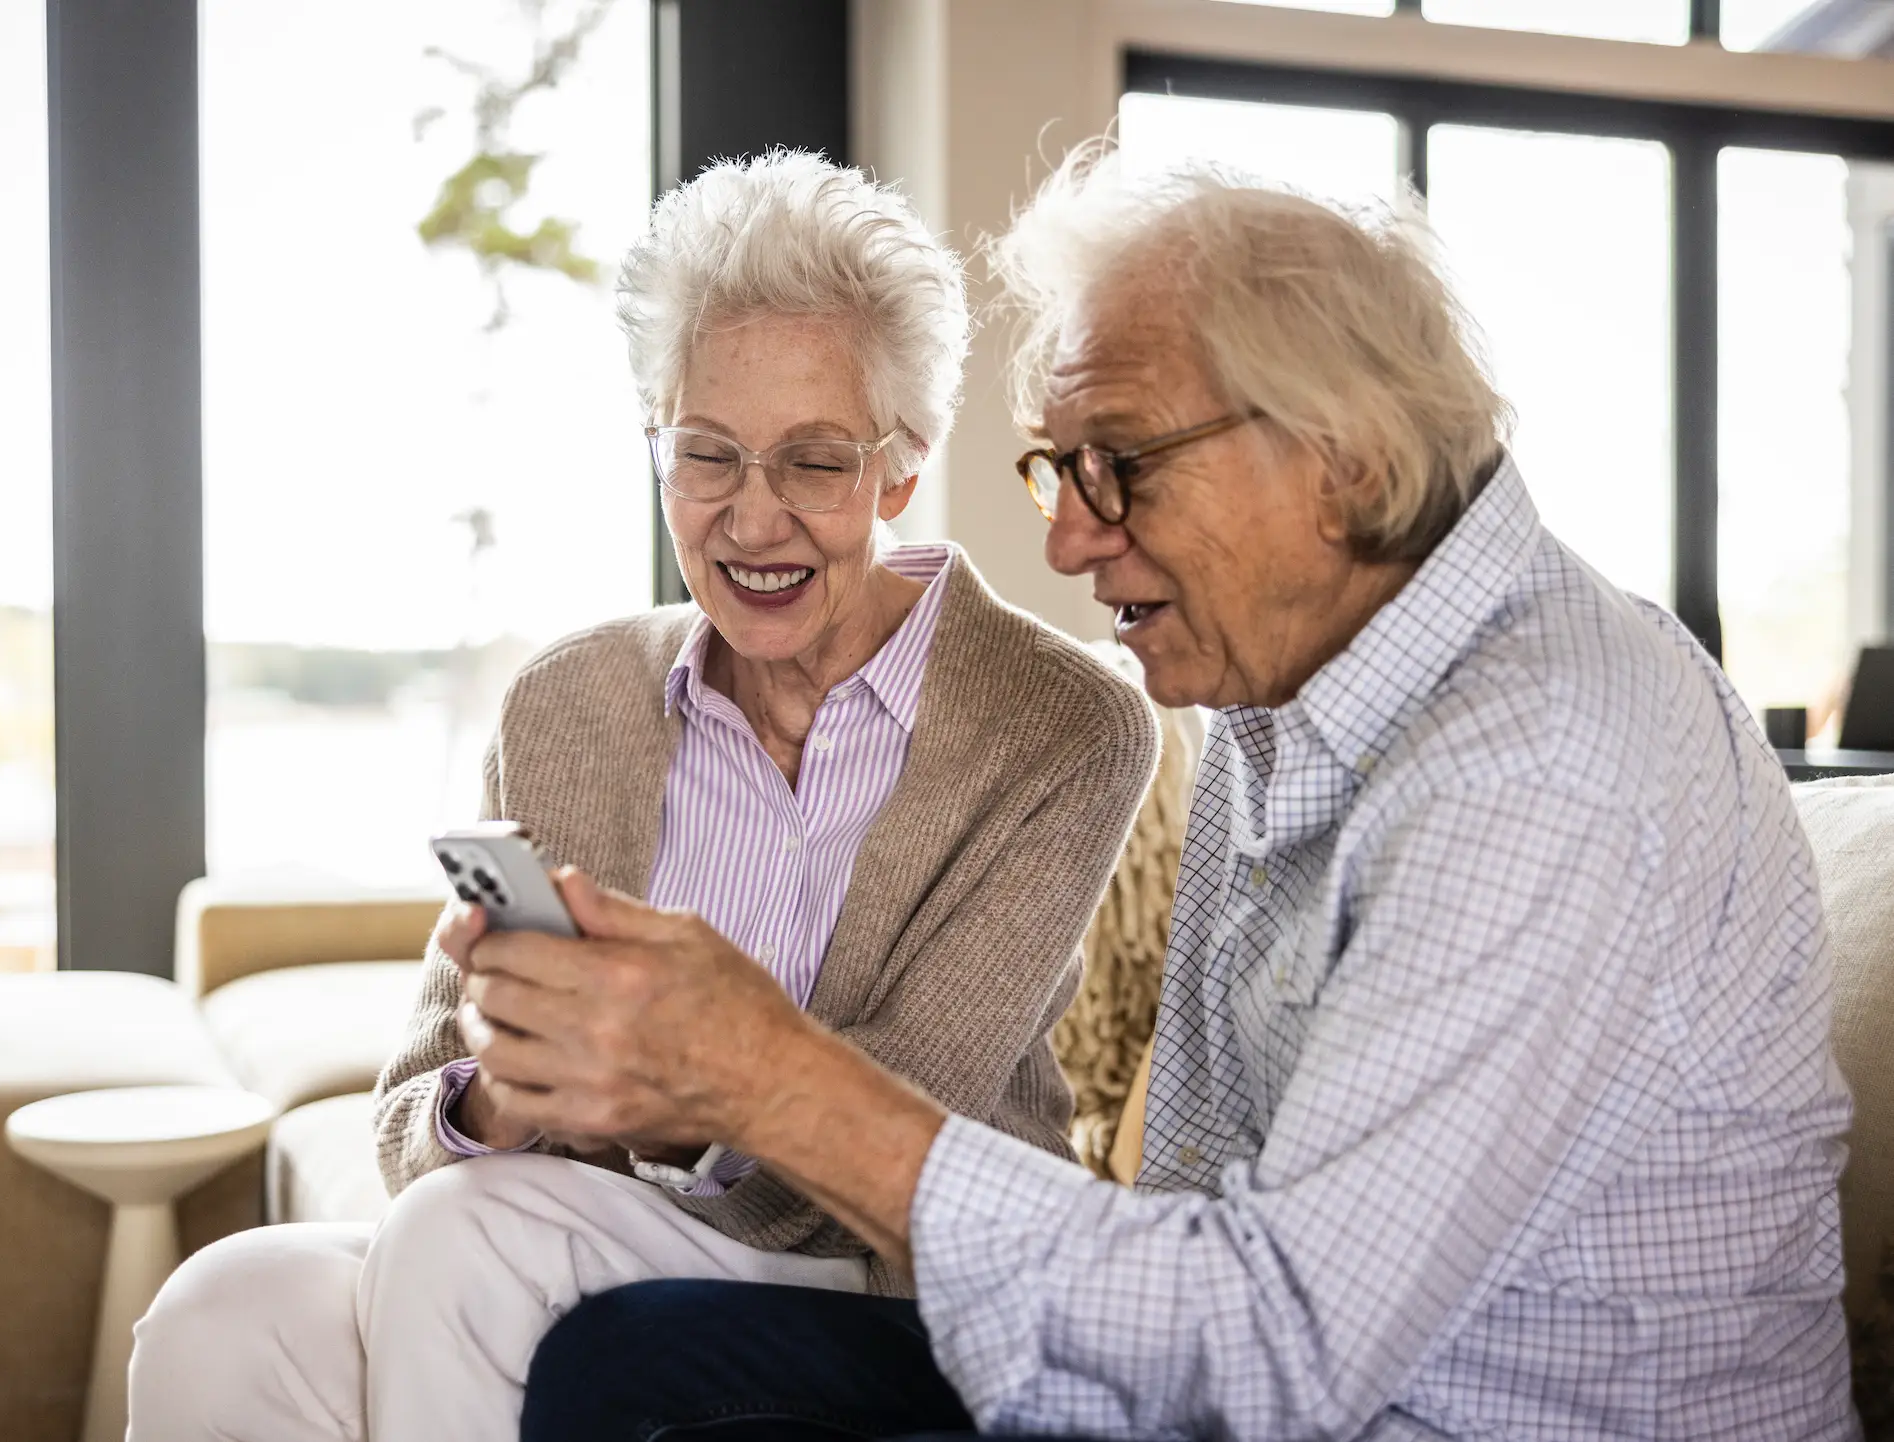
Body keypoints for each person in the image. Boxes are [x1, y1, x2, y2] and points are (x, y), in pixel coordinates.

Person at [459, 152, 1862, 1441]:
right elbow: (1187, 1225)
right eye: (1055, 466)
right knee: (625, 1363)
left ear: (1343, 457)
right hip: (1241, 1380)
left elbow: (1269, 1356)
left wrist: (758, 1068)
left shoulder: (1535, 762)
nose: (1064, 537)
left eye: (1114, 464)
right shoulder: (1275, 690)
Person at [124, 150, 1158, 1441]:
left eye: (815, 463)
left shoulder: (1059, 722)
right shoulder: (565, 703)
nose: (752, 518)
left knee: (471, 1231)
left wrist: (656, 1092)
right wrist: (504, 1090)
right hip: (563, 1221)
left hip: (891, 1270)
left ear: (901, 468)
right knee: (228, 1300)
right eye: (707, 454)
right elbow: (409, 1121)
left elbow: (907, 1121)